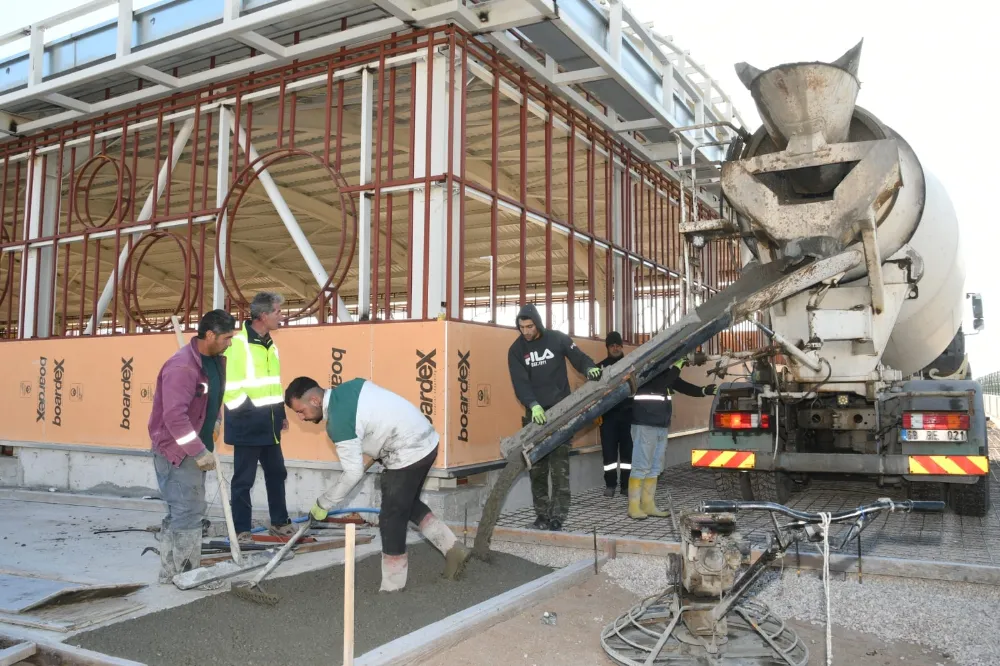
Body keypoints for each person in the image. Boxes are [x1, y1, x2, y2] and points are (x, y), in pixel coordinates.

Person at [284, 376, 468, 592]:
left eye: (301, 411)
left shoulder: (338, 422)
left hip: (408, 451)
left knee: (391, 518)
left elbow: (353, 473)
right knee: (407, 505)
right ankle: (453, 549)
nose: (300, 417)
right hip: (426, 441)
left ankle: (392, 587)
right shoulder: (352, 386)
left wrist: (323, 503)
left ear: (315, 400)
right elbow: (378, 415)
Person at [148, 309, 237, 583]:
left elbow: (212, 397)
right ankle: (187, 575)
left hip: (197, 449)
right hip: (179, 453)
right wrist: (198, 451)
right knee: (187, 514)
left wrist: (217, 420)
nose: (230, 343)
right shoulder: (182, 368)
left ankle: (170, 574)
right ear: (209, 335)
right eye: (226, 338)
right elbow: (174, 417)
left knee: (182, 512)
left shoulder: (213, 361)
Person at [507, 303, 602, 531]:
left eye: (529, 326)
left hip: (561, 412)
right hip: (536, 416)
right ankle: (542, 516)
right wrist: (533, 405)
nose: (526, 331)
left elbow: (578, 357)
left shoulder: (557, 339)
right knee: (537, 470)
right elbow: (520, 382)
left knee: (560, 469)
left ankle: (558, 516)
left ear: (538, 324)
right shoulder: (516, 350)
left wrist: (589, 368)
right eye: (522, 327)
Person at [223, 292, 294, 543]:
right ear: (263, 315)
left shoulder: (270, 344)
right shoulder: (238, 343)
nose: (281, 317)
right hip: (247, 424)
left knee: (277, 473)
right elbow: (230, 387)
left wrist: (280, 413)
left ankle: (280, 523)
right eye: (277, 312)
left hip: (269, 423)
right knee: (244, 480)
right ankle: (241, 530)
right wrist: (249, 414)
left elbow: (273, 384)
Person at [629, 357, 717, 520]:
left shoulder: (666, 373)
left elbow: (682, 386)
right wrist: (677, 367)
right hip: (645, 425)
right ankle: (634, 507)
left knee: (655, 468)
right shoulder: (646, 373)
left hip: (661, 426)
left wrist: (704, 391)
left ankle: (648, 505)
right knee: (641, 466)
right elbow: (662, 385)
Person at [597, 331, 632, 497]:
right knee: (609, 453)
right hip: (608, 418)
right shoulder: (600, 368)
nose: (615, 348)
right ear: (607, 348)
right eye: (612, 345)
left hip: (628, 416)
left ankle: (626, 486)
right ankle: (610, 485)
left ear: (622, 346)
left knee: (627, 453)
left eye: (618, 345)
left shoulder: (631, 365)